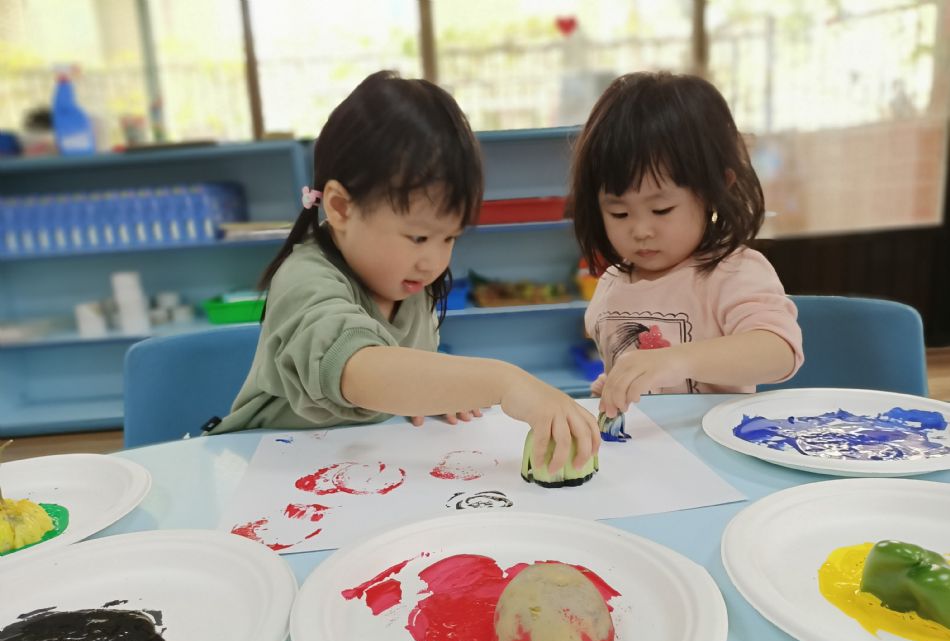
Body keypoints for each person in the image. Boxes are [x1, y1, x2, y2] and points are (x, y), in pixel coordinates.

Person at [212, 71, 599, 474]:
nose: (433, 262)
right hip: (268, 467)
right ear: (341, 207)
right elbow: (357, 372)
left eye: (449, 238)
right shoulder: (304, 278)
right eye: (418, 237)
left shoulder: (407, 280)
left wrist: (431, 392)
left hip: (357, 461)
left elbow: (399, 374)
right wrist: (505, 382)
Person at [568, 71, 804, 419]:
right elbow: (631, 370)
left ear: (714, 190)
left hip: (711, 446)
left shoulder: (733, 272)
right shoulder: (611, 284)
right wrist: (617, 385)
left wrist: (676, 361)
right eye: (619, 213)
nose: (641, 230)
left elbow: (779, 351)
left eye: (661, 209)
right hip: (647, 446)